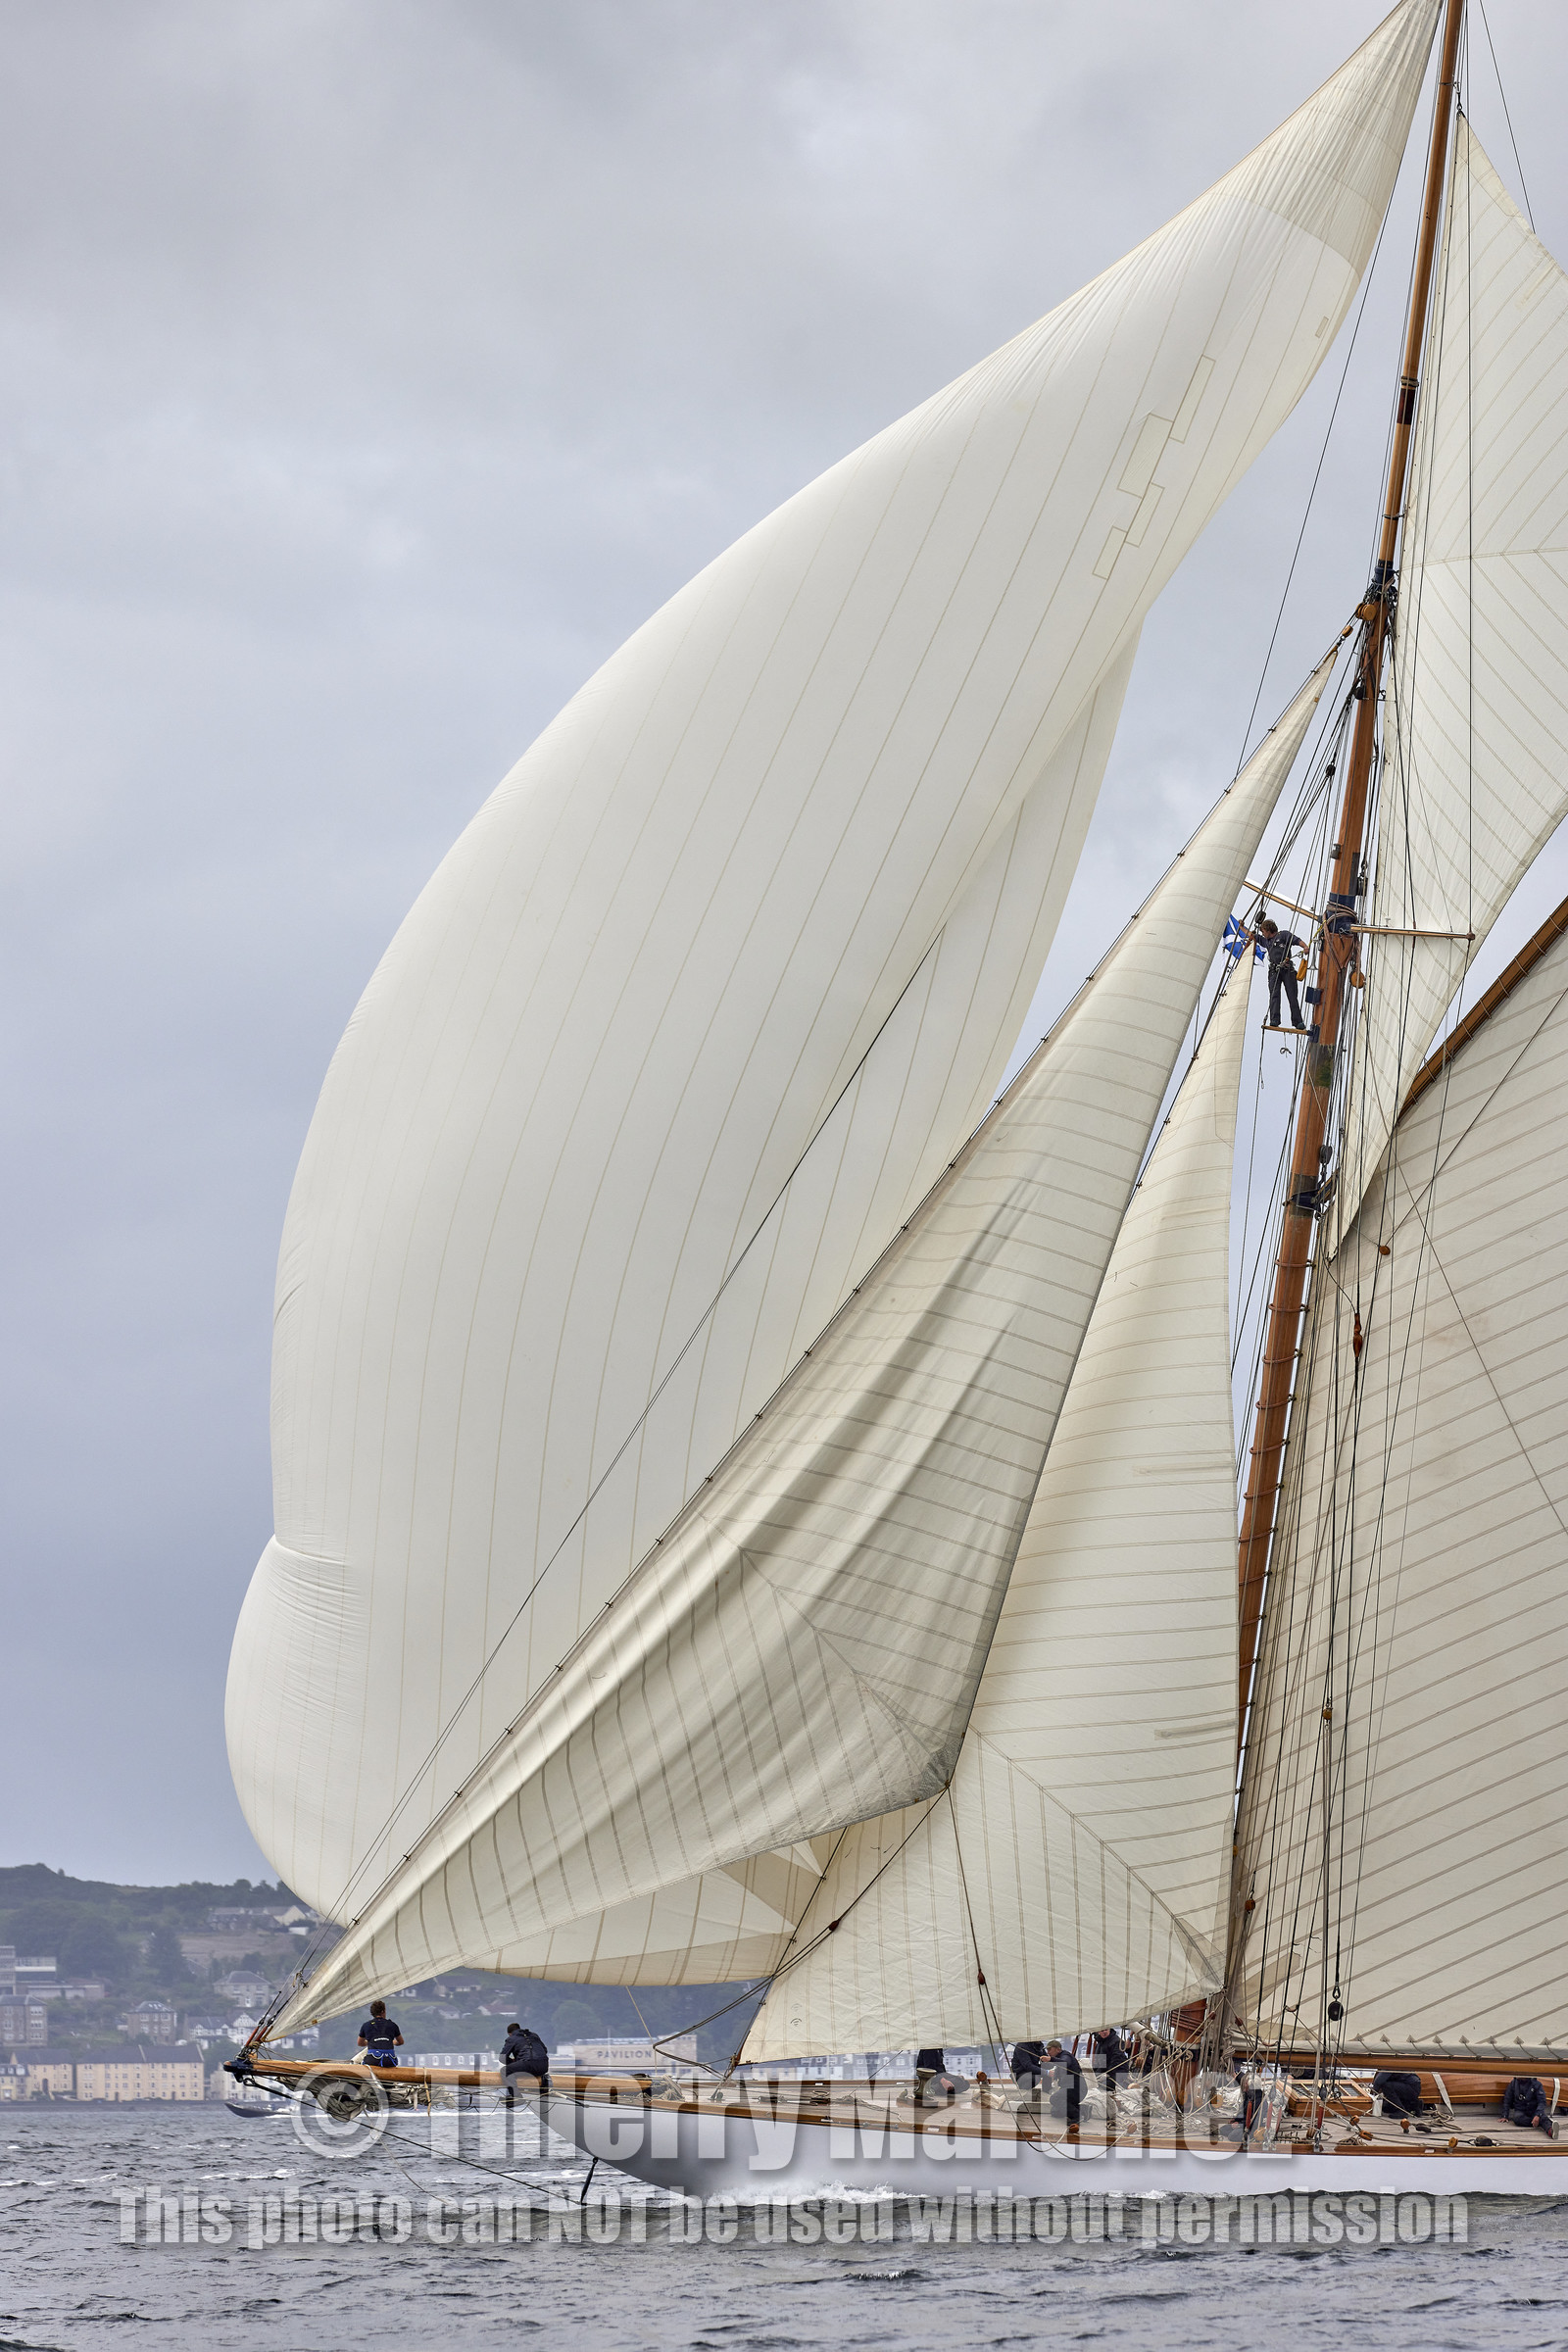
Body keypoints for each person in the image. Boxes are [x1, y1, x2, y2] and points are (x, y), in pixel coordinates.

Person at [1254, 918, 1308, 1030]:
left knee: (1292, 996)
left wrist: (1305, 947)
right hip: (1274, 971)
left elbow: (1296, 940)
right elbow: (1252, 935)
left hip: (1287, 970)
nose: (1263, 934)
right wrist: (1241, 927)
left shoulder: (1283, 935)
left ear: (1269, 930)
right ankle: (1274, 1019)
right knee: (1274, 995)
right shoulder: (1266, 941)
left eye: (1263, 931)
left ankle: (1298, 1021)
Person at [501, 2022, 550, 2105]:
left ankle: (517, 2098)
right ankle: (543, 2091)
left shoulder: (512, 2038)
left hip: (528, 2065)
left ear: (510, 2034)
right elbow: (544, 2050)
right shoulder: (534, 2035)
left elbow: (502, 2058)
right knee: (529, 2068)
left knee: (505, 2071)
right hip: (544, 2066)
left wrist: (514, 2062)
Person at [1042, 2039, 1083, 2130]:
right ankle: (1082, 2110)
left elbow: (1065, 2063)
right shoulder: (1060, 2058)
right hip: (1070, 2089)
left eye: (1050, 2049)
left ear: (1058, 2050)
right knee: (1055, 2111)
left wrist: (1050, 2059)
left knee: (1054, 2099)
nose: (1048, 2052)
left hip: (1076, 2089)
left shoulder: (1065, 2056)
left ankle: (1077, 2116)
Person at [357, 1999, 403, 2069]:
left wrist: (371, 2042)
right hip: (390, 2060)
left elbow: (360, 2043)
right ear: (383, 2011)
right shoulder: (392, 2025)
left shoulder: (366, 2025)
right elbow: (400, 2042)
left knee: (359, 2063)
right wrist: (392, 2042)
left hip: (373, 2059)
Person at [1087, 2028, 1129, 2094]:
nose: (1105, 2032)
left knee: (1100, 2088)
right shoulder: (1099, 2044)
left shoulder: (1116, 2042)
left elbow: (1117, 2061)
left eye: (1106, 2030)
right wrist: (1095, 2076)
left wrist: (1107, 2075)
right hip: (1105, 2075)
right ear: (1098, 2032)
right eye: (1102, 2030)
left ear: (1109, 2030)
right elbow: (1098, 2063)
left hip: (1116, 2075)